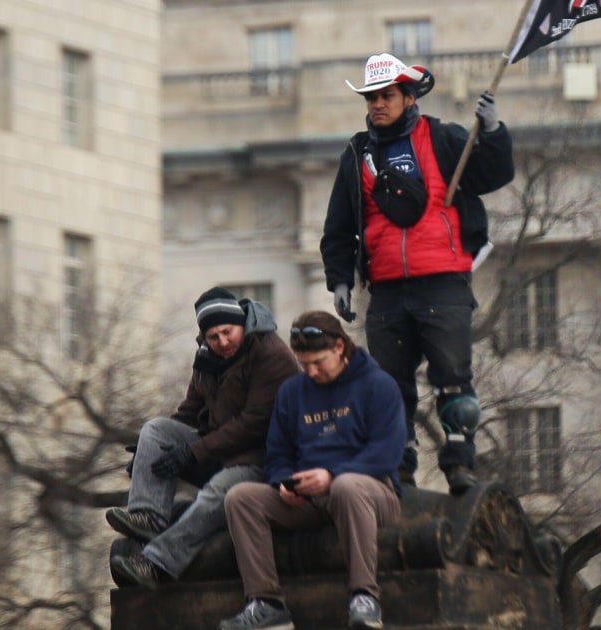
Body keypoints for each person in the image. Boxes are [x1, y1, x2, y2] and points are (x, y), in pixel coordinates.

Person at [320, 52, 516, 494]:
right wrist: (340, 279)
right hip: (387, 290)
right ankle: (399, 463)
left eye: (386, 96)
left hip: (443, 281)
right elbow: (339, 227)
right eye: (371, 98)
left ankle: (460, 463)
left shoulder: (444, 138)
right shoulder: (356, 153)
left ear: (409, 98)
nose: (377, 105)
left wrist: (494, 131)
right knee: (389, 386)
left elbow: (493, 174)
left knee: (452, 378)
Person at [218, 311, 404, 630]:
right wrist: (284, 484)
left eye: (318, 362)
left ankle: (364, 597)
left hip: (371, 493)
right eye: (304, 364)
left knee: (347, 486)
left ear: (340, 348)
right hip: (311, 497)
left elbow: (385, 454)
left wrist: (331, 476)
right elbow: (277, 454)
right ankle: (266, 603)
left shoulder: (379, 385)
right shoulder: (292, 392)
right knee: (241, 497)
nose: (311, 371)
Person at [107, 287, 299, 589]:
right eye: (214, 336)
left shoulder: (271, 353)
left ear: (242, 324)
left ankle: (156, 563)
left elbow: (254, 423)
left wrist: (194, 452)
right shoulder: (207, 357)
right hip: (217, 453)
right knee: (155, 430)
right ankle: (148, 515)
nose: (223, 342)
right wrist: (148, 452)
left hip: (261, 460)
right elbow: (189, 412)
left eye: (228, 332)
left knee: (218, 492)